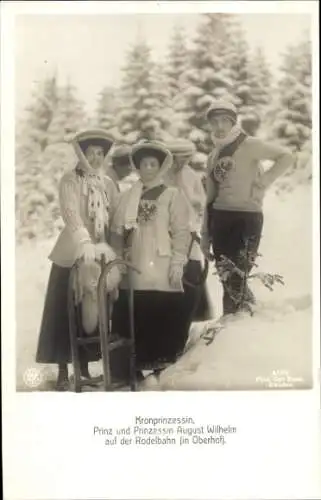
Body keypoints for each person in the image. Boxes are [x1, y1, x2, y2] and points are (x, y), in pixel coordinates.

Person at [36, 129, 120, 391]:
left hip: (98, 255)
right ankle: (63, 369)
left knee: (92, 310)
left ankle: (83, 366)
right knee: (65, 312)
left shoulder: (106, 183)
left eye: (100, 153)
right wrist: (84, 242)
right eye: (90, 153)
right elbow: (71, 213)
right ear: (81, 154)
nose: (95, 158)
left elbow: (115, 215)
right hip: (73, 251)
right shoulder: (70, 180)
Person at [201, 100, 294, 316]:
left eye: (225, 121)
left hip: (247, 217)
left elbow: (286, 156)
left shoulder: (250, 144)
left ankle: (247, 318)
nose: (220, 126)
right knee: (226, 276)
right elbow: (209, 199)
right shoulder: (213, 155)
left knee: (238, 274)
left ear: (233, 122)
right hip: (220, 218)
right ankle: (235, 322)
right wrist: (205, 235)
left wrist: (264, 181)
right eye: (215, 122)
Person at [110, 140, 192, 380]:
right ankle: (130, 367)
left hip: (161, 264)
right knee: (134, 311)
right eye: (144, 164)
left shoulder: (172, 195)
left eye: (153, 164)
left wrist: (178, 261)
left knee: (160, 309)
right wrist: (117, 261)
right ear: (137, 166)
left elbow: (181, 231)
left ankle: (161, 363)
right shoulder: (127, 198)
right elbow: (116, 233)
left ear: (161, 166)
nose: (148, 168)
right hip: (134, 264)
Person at [165, 139, 213, 322]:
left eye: (185, 159)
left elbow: (201, 200)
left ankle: (197, 314)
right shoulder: (163, 174)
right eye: (178, 158)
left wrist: (195, 203)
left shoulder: (190, 174)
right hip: (168, 229)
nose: (181, 163)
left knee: (192, 268)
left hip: (189, 227)